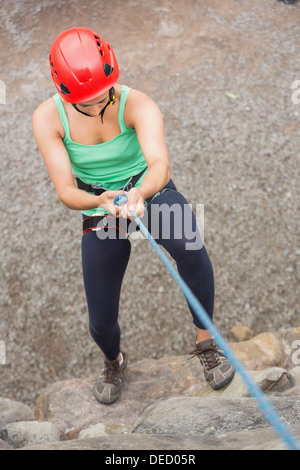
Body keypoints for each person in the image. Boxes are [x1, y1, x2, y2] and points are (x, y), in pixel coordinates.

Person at [32, 27, 235, 405]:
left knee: (190, 247)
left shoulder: (137, 103)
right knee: (100, 319)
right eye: (84, 104)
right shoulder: (48, 118)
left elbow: (159, 163)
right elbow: (65, 190)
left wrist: (140, 192)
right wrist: (104, 202)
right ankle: (114, 360)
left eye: (102, 97)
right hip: (101, 204)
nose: (96, 108)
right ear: (63, 93)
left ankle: (207, 343)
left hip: (148, 190)